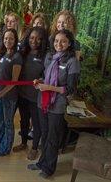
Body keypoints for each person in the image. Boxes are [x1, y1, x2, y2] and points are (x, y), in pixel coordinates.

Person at [28, 29, 80, 178]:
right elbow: (46, 77)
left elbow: (70, 89)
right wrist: (39, 81)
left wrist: (49, 87)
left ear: (69, 43)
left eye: (63, 41)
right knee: (44, 134)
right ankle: (41, 162)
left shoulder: (72, 62)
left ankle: (49, 168)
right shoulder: (50, 57)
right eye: (56, 41)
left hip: (57, 105)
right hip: (43, 101)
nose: (59, 44)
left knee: (52, 137)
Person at [12, 27, 47, 160]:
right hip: (23, 94)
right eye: (32, 38)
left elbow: (47, 76)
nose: (34, 41)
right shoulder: (23, 53)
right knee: (24, 120)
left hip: (36, 97)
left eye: (38, 38)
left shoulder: (45, 56)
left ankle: (34, 148)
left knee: (36, 123)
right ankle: (23, 143)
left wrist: (41, 80)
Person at [0, 28, 22, 156]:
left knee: (8, 122)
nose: (8, 41)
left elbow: (14, 81)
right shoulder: (4, 54)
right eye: (6, 38)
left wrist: (1, 93)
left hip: (9, 96)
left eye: (11, 38)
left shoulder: (17, 57)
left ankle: (6, 146)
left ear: (15, 40)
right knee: (1, 120)